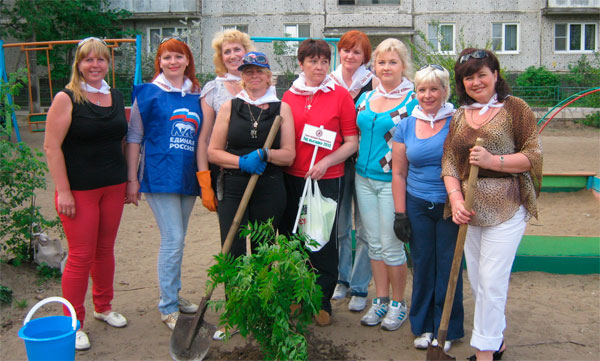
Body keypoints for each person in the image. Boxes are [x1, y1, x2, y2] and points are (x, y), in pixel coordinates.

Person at [442, 48, 542, 361]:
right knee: (479, 280)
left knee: (492, 279)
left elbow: (533, 157)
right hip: (470, 210)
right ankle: (496, 342)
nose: (476, 81)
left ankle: (484, 353)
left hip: (507, 206)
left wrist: (493, 160)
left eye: (481, 74)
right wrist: (456, 198)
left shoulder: (515, 109)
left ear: (495, 75)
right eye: (468, 77)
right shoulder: (459, 115)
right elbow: (449, 161)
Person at [44, 37, 128, 351]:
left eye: (100, 59)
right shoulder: (67, 98)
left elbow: (120, 142)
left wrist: (128, 182)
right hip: (79, 190)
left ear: (108, 63)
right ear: (78, 64)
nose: (94, 65)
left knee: (104, 250)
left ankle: (103, 307)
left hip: (113, 185)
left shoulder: (116, 96)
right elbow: (52, 148)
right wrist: (63, 191)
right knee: (80, 256)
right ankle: (73, 322)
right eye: (88, 60)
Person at [207, 52, 295, 339]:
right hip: (233, 186)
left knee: (264, 250)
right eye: (248, 71)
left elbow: (289, 155)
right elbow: (213, 151)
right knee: (231, 250)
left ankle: (262, 311)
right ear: (241, 76)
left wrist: (266, 153)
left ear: (269, 76)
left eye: (259, 71)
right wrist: (241, 161)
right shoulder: (230, 107)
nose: (254, 76)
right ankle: (234, 314)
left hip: (268, 186)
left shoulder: (283, 109)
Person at [125, 37, 210, 330]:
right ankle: (168, 306)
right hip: (159, 176)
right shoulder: (148, 93)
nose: (173, 62)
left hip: (187, 176)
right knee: (172, 239)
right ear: (159, 63)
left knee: (179, 240)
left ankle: (173, 293)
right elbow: (134, 137)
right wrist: (132, 178)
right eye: (166, 57)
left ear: (188, 61)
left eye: (178, 57)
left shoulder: (197, 95)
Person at [279, 39, 359, 327]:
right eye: (313, 61)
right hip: (293, 178)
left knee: (321, 239)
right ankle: (297, 298)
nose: (319, 66)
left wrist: (326, 162)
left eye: (324, 61)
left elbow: (351, 142)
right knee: (294, 239)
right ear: (301, 64)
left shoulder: (340, 96)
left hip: (327, 179)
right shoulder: (289, 96)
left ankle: (321, 301)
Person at [392, 65, 463, 350]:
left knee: (448, 266)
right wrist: (400, 214)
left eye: (434, 89)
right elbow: (398, 173)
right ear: (415, 93)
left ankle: (446, 327)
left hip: (450, 204)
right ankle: (422, 326)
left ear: (446, 91)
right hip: (418, 204)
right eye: (422, 89)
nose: (428, 95)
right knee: (422, 265)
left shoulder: (458, 121)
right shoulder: (406, 125)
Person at [354, 38, 418, 331]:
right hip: (362, 179)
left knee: (392, 245)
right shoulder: (365, 99)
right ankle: (379, 299)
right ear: (374, 66)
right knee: (374, 245)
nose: (387, 67)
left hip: (392, 181)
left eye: (393, 62)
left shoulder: (413, 101)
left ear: (404, 66)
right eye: (381, 62)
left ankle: (398, 302)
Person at [328, 30, 379, 312]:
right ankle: (341, 279)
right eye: (346, 50)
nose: (350, 56)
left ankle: (360, 286)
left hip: (365, 164)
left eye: (356, 52)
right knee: (339, 226)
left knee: (365, 229)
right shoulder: (329, 82)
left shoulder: (373, 82)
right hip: (335, 161)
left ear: (365, 57)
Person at [201, 29, 256, 195]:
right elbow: (204, 139)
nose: (233, 56)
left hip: (258, 167)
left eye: (237, 49)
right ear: (221, 58)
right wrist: (204, 180)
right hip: (225, 169)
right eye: (227, 52)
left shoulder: (262, 86)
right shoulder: (213, 90)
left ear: (247, 52)